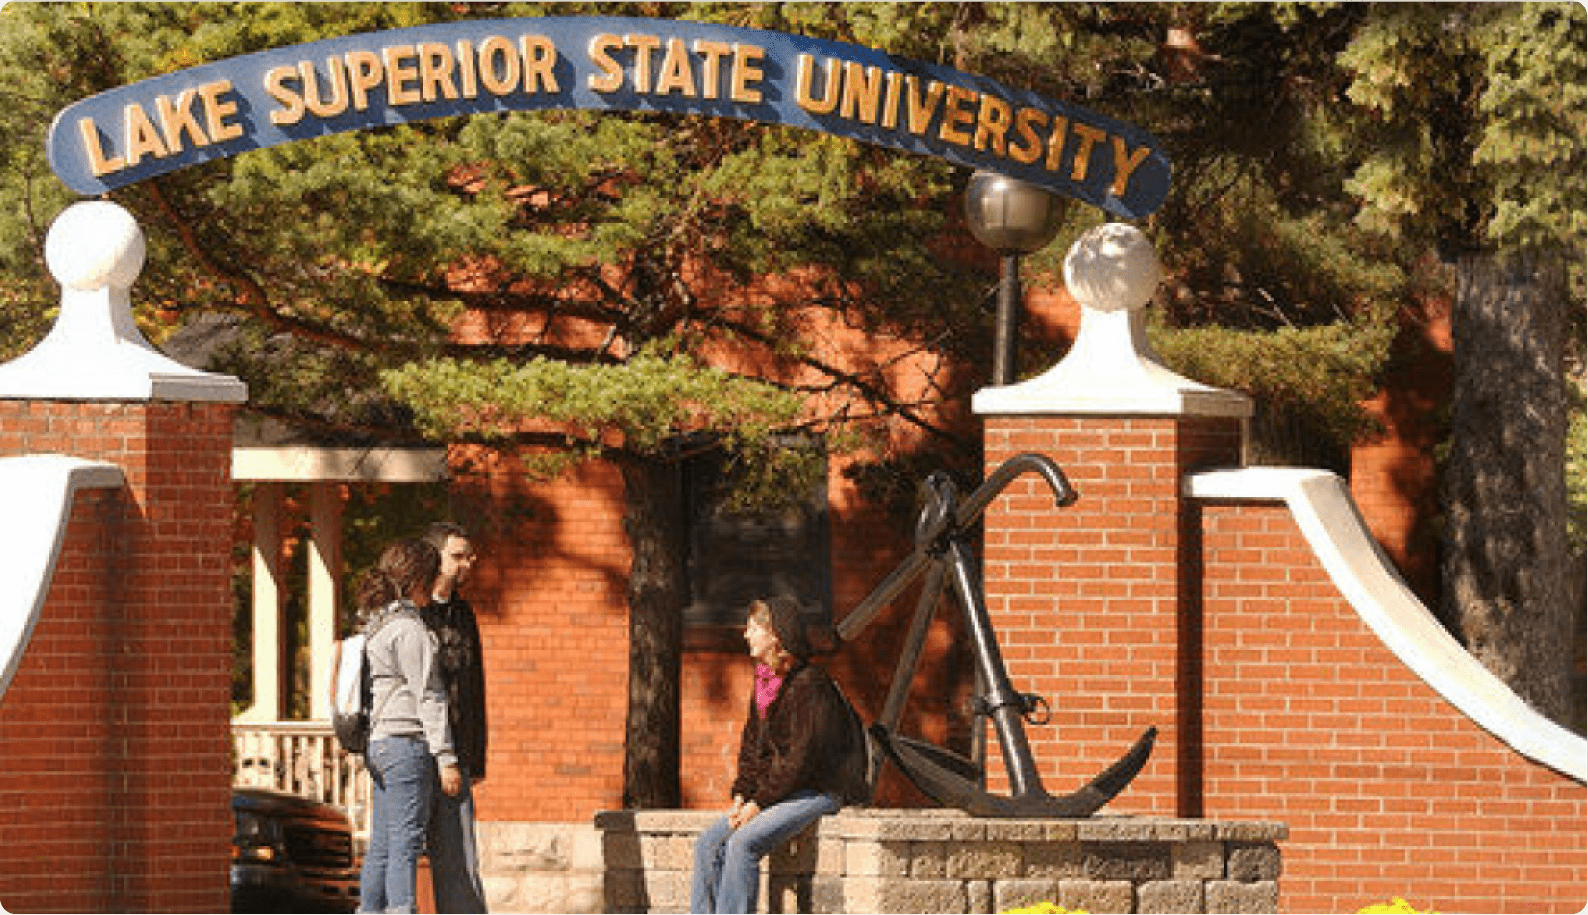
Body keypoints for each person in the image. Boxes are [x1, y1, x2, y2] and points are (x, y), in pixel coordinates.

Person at [690, 596, 867, 915]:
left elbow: (799, 760)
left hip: (817, 790)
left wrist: (759, 803)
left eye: (753, 628)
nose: (745, 634)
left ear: (776, 635)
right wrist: (742, 796)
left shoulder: (810, 685)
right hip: (779, 791)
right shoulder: (764, 682)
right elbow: (752, 748)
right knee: (708, 844)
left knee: (742, 844)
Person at [356, 538, 462, 915]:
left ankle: (370, 910)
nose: (434, 587)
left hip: (380, 744)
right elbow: (428, 695)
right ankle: (402, 909)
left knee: (382, 845)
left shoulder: (377, 625)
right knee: (406, 842)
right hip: (406, 744)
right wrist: (446, 757)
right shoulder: (410, 630)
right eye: (431, 578)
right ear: (417, 580)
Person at [419, 521, 489, 914]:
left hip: (457, 754)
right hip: (414, 751)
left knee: (460, 858)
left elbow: (475, 687)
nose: (467, 564)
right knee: (400, 852)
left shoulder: (464, 614)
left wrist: (475, 757)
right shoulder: (411, 614)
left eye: (469, 556)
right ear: (435, 557)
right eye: (458, 556)